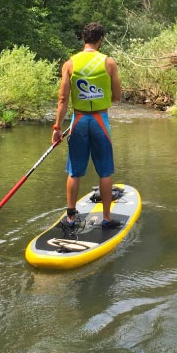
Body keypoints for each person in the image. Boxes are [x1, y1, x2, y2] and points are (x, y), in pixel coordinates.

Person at [52, 22, 123, 232]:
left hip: (79, 121)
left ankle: (71, 219)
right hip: (101, 121)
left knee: (74, 172)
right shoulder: (108, 62)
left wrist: (57, 127)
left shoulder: (69, 64)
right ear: (100, 39)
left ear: (83, 39)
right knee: (105, 172)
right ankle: (107, 219)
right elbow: (117, 96)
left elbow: (63, 99)